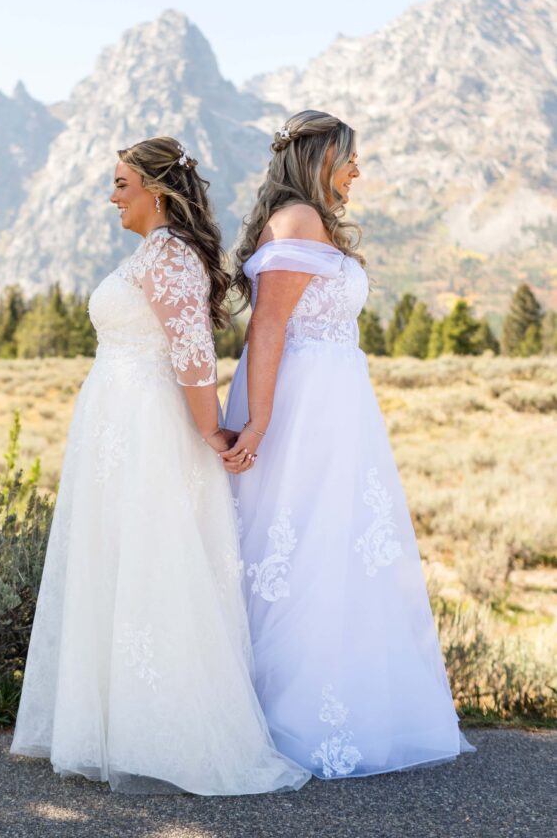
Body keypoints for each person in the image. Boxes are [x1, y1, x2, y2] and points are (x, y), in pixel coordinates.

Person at [9, 136, 309, 795]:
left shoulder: (171, 256)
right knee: (114, 562)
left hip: (149, 431)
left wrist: (211, 432)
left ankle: (165, 732)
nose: (111, 196)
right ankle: (113, 724)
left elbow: (192, 354)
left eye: (121, 184)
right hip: (116, 424)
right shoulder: (150, 254)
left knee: (152, 562)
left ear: (156, 191)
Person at [223, 111, 475, 778]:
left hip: (333, 401)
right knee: (302, 543)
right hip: (303, 408)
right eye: (348, 158)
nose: (357, 171)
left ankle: (339, 704)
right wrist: (258, 424)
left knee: (334, 546)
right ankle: (291, 717)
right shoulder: (298, 221)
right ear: (315, 160)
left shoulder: (306, 220)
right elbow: (269, 328)